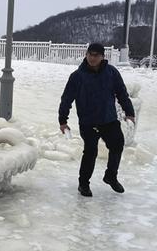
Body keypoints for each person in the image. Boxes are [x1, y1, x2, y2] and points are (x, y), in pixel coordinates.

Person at [58, 43, 135, 197]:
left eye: (96, 55)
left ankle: (110, 176)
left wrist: (129, 112)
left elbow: (122, 94)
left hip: (109, 119)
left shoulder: (111, 73)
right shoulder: (77, 76)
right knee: (90, 151)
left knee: (117, 144)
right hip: (88, 121)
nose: (92, 58)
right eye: (90, 54)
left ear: (102, 57)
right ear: (86, 55)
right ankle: (83, 184)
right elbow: (66, 99)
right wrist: (63, 120)